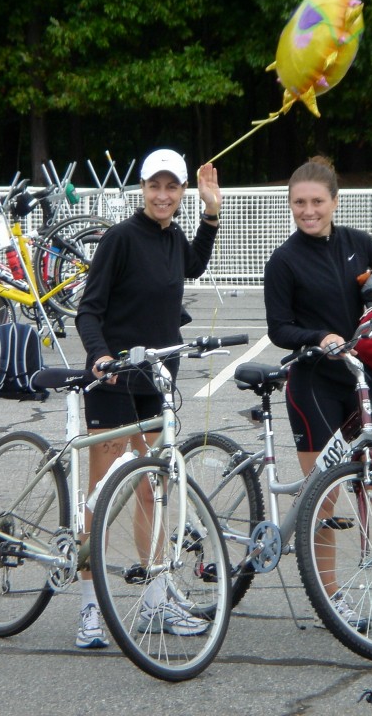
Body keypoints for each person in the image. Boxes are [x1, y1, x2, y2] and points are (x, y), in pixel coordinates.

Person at [263, 156, 372, 628]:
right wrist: (318, 338)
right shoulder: (284, 260)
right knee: (325, 500)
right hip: (314, 384)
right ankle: (331, 597)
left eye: (317, 201)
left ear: (334, 202)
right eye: (299, 202)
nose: (308, 210)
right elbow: (279, 327)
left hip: (362, 381)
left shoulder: (359, 245)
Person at [72, 148, 222, 649]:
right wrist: (99, 357)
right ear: (142, 188)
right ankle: (91, 609)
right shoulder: (120, 238)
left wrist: (210, 211)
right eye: (155, 187)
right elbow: (88, 310)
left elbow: (193, 265)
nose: (163, 196)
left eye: (172, 187)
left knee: (151, 491)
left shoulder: (173, 235)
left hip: (157, 380)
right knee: (102, 494)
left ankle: (156, 599)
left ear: (181, 191)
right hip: (114, 381)